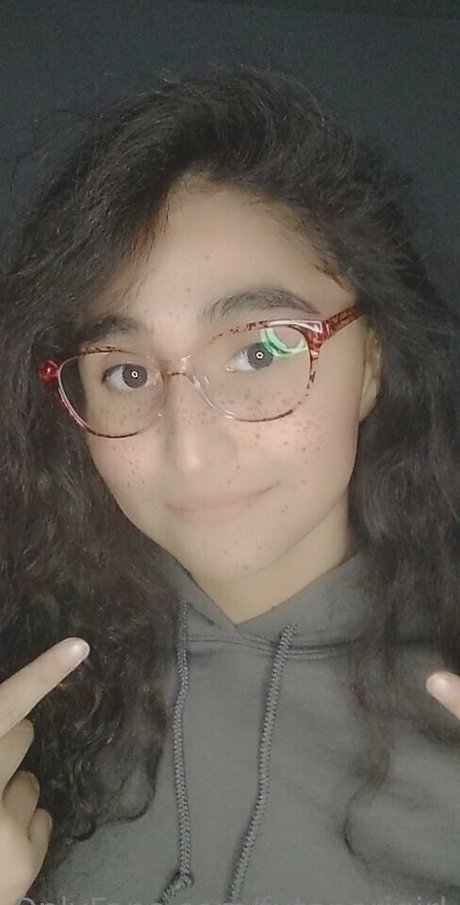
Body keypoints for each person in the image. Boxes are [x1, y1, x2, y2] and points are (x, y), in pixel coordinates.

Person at [1, 63, 460, 905]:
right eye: (126, 372)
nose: (191, 449)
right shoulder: (24, 692)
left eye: (260, 350)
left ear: (372, 364)